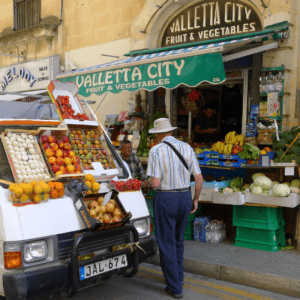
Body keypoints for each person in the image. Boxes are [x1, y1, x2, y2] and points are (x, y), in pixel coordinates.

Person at [147, 118, 203, 299]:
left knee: (166, 242)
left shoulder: (156, 150)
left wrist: (146, 184)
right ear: (170, 132)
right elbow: (199, 178)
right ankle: (179, 277)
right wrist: (195, 199)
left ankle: (175, 288)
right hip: (185, 196)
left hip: (166, 198)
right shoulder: (187, 148)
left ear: (157, 135)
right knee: (178, 240)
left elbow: (155, 183)